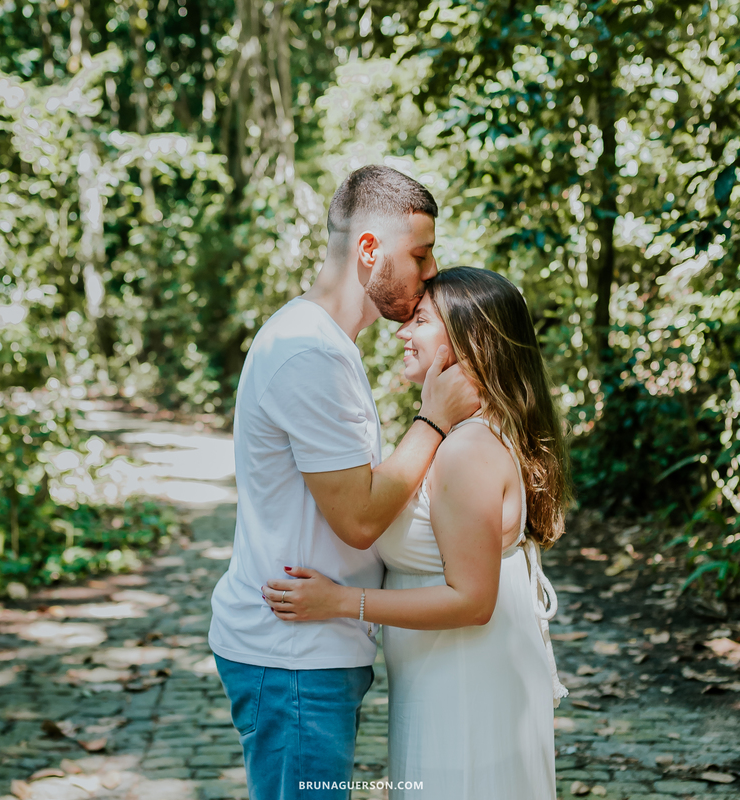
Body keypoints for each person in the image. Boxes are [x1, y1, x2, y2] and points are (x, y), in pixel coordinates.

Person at [208, 166, 480, 800]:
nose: (432, 270)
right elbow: (358, 518)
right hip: (293, 654)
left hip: (312, 647)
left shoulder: (325, 344)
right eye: (420, 253)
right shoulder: (311, 352)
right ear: (367, 250)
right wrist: (434, 420)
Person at [263, 267, 572, 800]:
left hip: (464, 680)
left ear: (470, 343)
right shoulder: (460, 435)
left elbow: (472, 600)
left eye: (421, 319)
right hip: (444, 672)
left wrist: (341, 601)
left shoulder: (467, 449)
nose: (403, 330)